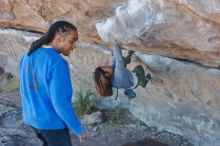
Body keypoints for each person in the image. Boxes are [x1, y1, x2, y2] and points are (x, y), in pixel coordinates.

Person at [19, 21, 87, 146]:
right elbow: (61, 103)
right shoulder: (57, 62)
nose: (74, 46)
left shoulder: (27, 55)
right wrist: (78, 128)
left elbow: (24, 89)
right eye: (72, 41)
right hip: (50, 123)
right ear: (59, 38)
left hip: (31, 119)